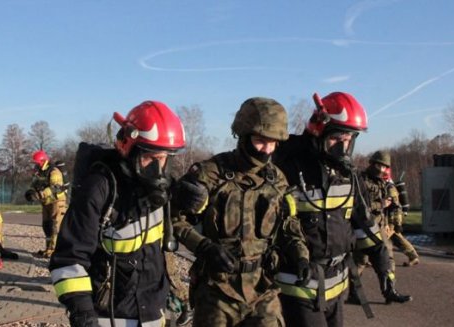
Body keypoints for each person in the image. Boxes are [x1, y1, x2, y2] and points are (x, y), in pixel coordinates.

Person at [273, 92, 408, 326]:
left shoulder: (349, 177)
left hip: (337, 287)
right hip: (298, 285)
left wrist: (385, 269)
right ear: (318, 132)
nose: (342, 147)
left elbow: (364, 227)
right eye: (336, 139)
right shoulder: (287, 168)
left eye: (348, 140)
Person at [48, 100, 185, 327]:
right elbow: (68, 259)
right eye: (150, 158)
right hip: (111, 315)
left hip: (153, 313)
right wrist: (82, 310)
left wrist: (195, 202)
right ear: (126, 147)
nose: (157, 169)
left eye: (163, 159)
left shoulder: (161, 187)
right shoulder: (99, 187)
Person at [172, 97, 306, 326]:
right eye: (260, 141)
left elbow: (289, 226)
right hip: (217, 291)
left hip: (262, 289)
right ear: (243, 136)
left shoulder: (277, 180)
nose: (267, 150)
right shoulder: (210, 174)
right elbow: (175, 220)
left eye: (273, 143)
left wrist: (301, 256)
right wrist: (205, 247)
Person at [353, 150, 412, 304]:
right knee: (360, 261)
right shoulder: (361, 181)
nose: (381, 169)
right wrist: (380, 204)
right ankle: (354, 293)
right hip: (363, 228)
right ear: (372, 163)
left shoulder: (385, 183)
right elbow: (357, 205)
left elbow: (395, 205)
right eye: (379, 165)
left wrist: (394, 224)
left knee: (388, 260)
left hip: (381, 229)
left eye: (385, 166)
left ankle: (389, 291)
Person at [25, 149, 67, 258]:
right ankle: (48, 248)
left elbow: (55, 188)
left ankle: (54, 250)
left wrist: (40, 194)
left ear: (43, 161)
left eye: (36, 163)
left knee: (54, 226)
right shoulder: (40, 172)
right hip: (46, 202)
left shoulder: (54, 172)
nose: (35, 165)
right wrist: (31, 192)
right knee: (46, 226)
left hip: (57, 202)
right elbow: (34, 184)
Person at [383, 167, 420, 266]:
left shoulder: (390, 188)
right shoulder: (386, 186)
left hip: (391, 220)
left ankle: (369, 259)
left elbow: (395, 207)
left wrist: (397, 223)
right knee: (397, 238)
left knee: (380, 239)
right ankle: (413, 256)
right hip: (388, 219)